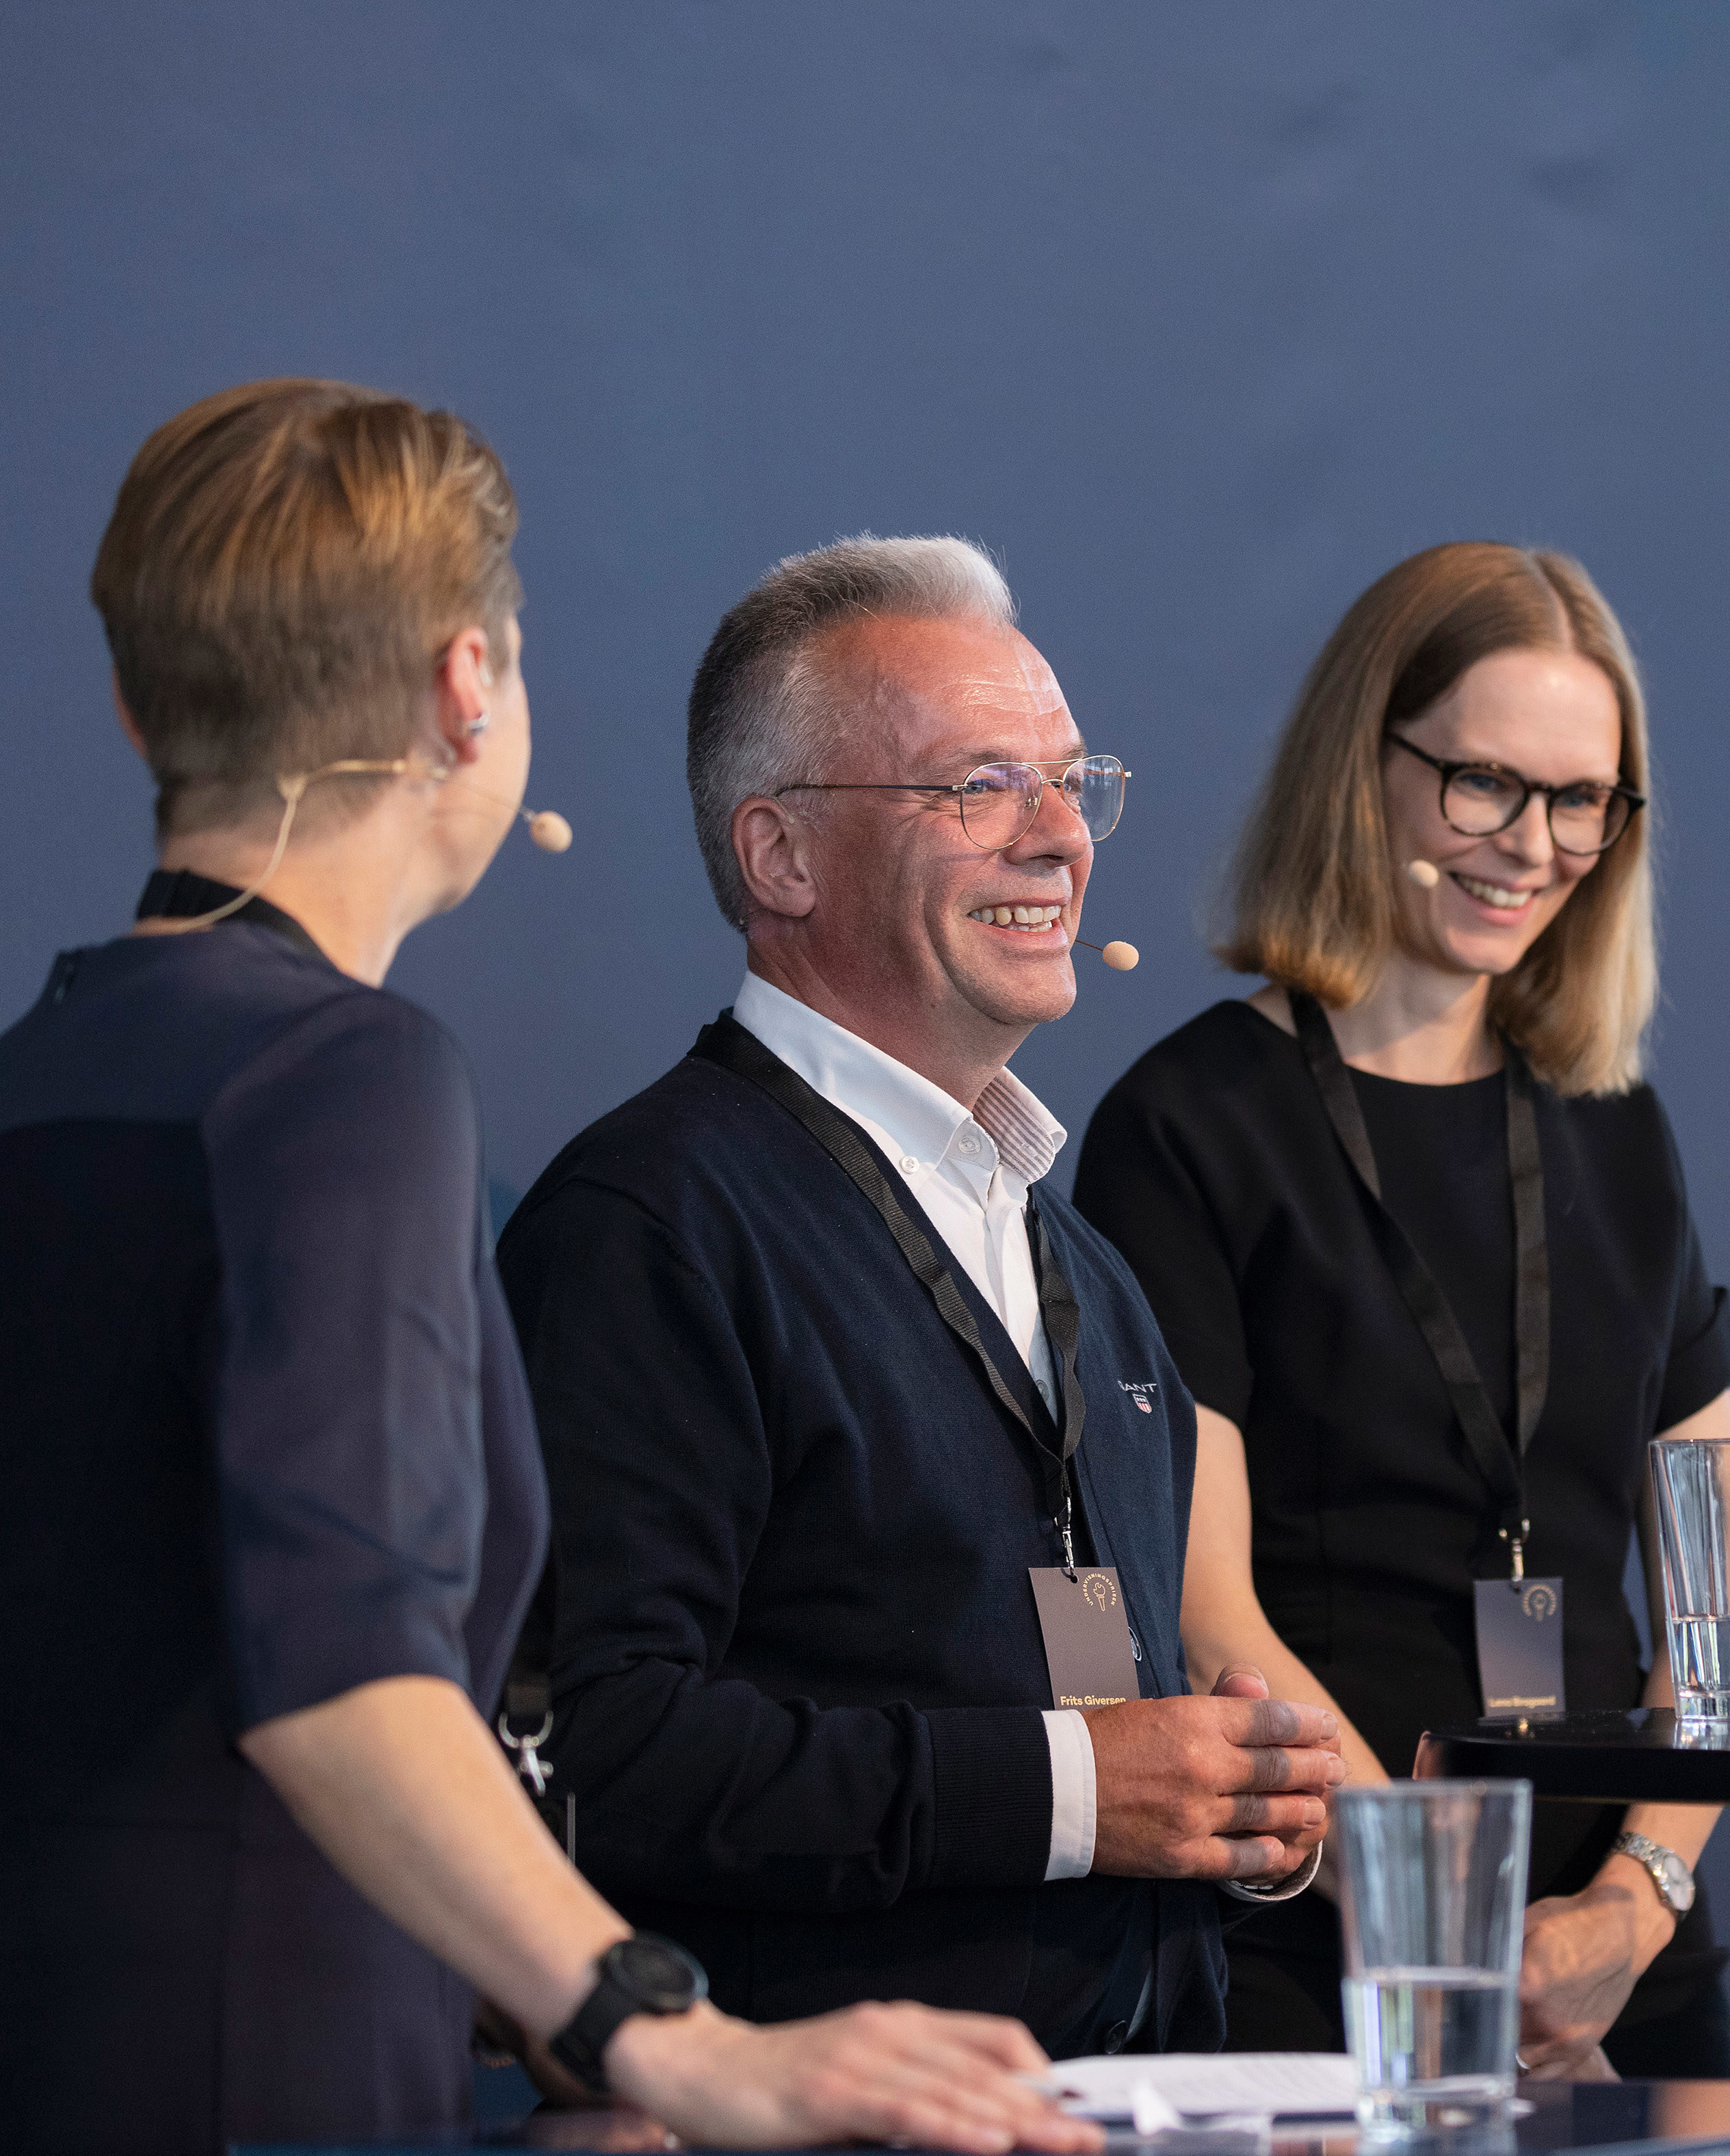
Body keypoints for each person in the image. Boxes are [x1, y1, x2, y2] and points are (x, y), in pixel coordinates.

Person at [0, 380, 1092, 2154]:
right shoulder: (340, 1075)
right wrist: (669, 2038)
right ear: (466, 688)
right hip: (263, 2064)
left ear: (137, 704)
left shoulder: (45, 1071)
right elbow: (345, 1673)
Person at [496, 536, 1342, 2055]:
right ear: (782, 857)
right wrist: (1081, 1794)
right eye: (980, 786)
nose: (1062, 836)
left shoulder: (1085, 1270)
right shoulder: (651, 1222)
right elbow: (600, 1756)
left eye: (1076, 781)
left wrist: (1228, 1801)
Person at [1075, 542, 1730, 2073]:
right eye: (1484, 785)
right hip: (1324, 1956)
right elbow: (1205, 1615)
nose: (1535, 843)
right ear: (1360, 762)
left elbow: (1727, 1609)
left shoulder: (1615, 1124)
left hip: (1624, 1965)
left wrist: (1631, 1909)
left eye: (1583, 800)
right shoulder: (1188, 1126)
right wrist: (1448, 1925)